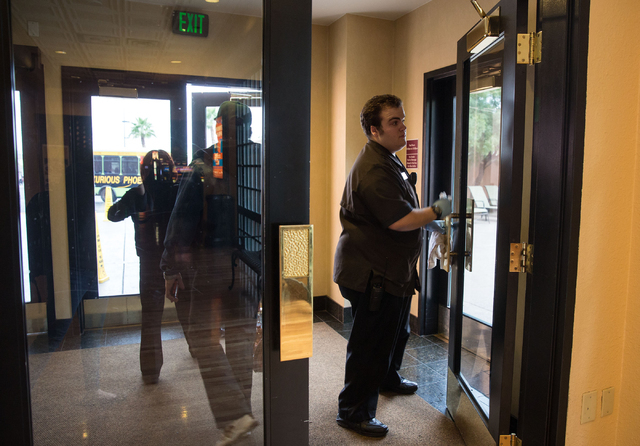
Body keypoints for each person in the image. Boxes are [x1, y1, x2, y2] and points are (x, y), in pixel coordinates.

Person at [333, 94, 451, 437]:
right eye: (394, 122)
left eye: (403, 119)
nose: (403, 127)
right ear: (375, 130)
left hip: (392, 271)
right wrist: (438, 211)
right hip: (372, 273)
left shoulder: (388, 159)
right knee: (370, 344)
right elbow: (399, 220)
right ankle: (353, 411)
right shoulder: (373, 169)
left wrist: (430, 222)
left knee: (396, 332)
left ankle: (387, 377)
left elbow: (404, 208)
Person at [161, 101, 260, 446]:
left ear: (219, 127)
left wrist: (170, 268)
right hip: (251, 265)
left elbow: (182, 221)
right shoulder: (261, 160)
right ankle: (241, 415)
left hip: (211, 267)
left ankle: (236, 416)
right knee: (240, 342)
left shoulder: (203, 166)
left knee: (203, 339)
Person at [107, 149, 179, 384]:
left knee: (150, 317)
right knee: (187, 309)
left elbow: (113, 215)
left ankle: (150, 371)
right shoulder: (176, 191)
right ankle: (197, 348)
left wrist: (131, 199)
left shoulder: (138, 193)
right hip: (177, 259)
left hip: (149, 261)